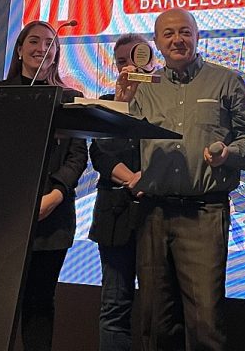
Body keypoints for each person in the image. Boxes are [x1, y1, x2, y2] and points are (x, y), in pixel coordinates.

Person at [116, 7, 245, 350]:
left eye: (184, 31)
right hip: (153, 214)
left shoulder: (227, 81)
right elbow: (117, 143)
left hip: (204, 213)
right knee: (155, 322)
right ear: (156, 43)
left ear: (197, 36)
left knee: (205, 323)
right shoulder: (144, 86)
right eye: (168, 34)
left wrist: (227, 154)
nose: (177, 39)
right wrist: (121, 104)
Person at [0, 20, 89, 351]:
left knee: (40, 301)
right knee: (0, 300)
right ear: (19, 49)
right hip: (6, 215)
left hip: (52, 216)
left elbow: (77, 157)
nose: (42, 48)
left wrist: (54, 195)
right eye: (34, 41)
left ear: (56, 53)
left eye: (49, 43)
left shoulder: (71, 98)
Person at [88, 33, 148, 350]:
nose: (129, 68)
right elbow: (101, 154)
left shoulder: (164, 103)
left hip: (156, 215)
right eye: (122, 61)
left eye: (136, 59)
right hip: (115, 217)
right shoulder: (107, 103)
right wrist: (135, 180)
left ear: (150, 60)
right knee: (114, 307)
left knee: (159, 309)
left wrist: (149, 178)